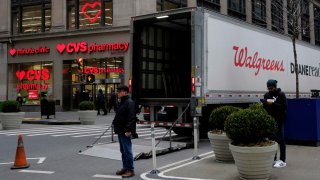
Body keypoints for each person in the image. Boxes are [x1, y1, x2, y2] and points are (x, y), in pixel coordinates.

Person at [263, 79, 287, 168]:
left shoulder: (281, 95)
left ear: (275, 87)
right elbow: (265, 106)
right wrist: (265, 103)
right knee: (272, 140)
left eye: (271, 88)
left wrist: (272, 104)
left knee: (281, 139)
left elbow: (284, 107)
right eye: (268, 88)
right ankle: (274, 158)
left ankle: (282, 160)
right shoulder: (267, 95)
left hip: (279, 119)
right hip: (270, 120)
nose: (270, 90)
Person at [112, 85, 136, 178]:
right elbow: (119, 115)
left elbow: (131, 117)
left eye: (120, 91)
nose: (118, 93)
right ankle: (125, 168)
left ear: (125, 92)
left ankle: (130, 170)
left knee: (127, 150)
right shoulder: (122, 102)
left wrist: (128, 130)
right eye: (118, 91)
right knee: (123, 151)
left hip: (125, 130)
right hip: (120, 130)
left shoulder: (129, 102)